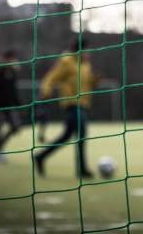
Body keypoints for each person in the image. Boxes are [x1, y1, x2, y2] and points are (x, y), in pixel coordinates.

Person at [34, 37, 98, 179]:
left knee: (66, 137)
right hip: (72, 104)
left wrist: (95, 80)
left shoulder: (86, 65)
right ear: (79, 50)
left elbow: (88, 84)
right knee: (81, 134)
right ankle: (82, 170)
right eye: (87, 50)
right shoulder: (66, 61)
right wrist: (46, 91)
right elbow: (51, 77)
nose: (89, 53)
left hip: (83, 104)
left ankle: (40, 157)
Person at [0, 50, 21, 164]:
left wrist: (18, 105)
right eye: (13, 59)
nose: (15, 61)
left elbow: (13, 90)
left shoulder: (12, 72)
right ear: (8, 59)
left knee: (16, 127)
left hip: (9, 106)